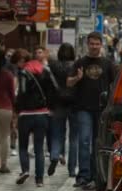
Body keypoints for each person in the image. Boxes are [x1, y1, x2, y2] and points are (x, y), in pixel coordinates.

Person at [67, 31, 117, 190]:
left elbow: (115, 84)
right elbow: (68, 83)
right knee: (84, 141)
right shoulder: (80, 63)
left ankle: (97, 175)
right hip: (83, 108)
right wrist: (77, 78)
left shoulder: (108, 63)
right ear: (87, 45)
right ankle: (83, 176)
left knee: (98, 143)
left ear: (101, 45)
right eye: (92, 44)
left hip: (102, 109)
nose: (94, 47)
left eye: (97, 44)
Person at [11, 48, 58, 187]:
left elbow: (23, 93)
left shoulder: (24, 72)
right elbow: (54, 89)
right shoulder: (45, 70)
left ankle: (25, 170)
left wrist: (17, 108)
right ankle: (39, 180)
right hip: (42, 114)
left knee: (23, 146)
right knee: (39, 148)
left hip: (26, 114)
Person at [48, 43, 78, 178]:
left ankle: (55, 155)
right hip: (74, 103)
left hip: (58, 102)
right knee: (74, 138)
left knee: (57, 134)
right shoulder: (76, 65)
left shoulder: (54, 65)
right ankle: (72, 169)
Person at [0, 47, 15, 175]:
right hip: (6, 108)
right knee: (5, 136)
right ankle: (4, 165)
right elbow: (12, 93)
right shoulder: (8, 74)